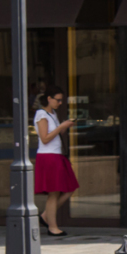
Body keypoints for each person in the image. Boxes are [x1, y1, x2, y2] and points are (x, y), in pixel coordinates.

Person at [33, 86, 79, 236]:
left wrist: (64, 126)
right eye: (57, 100)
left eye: (61, 100)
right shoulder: (41, 114)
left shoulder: (53, 114)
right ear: (49, 99)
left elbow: (55, 134)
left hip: (57, 155)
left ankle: (46, 216)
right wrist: (61, 126)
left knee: (70, 187)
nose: (60, 103)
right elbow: (45, 138)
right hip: (48, 156)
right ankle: (52, 227)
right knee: (54, 193)